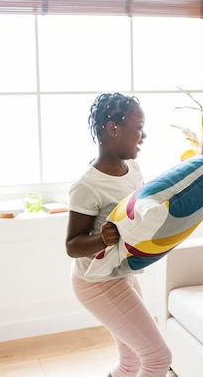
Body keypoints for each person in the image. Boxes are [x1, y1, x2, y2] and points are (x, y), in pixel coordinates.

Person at [66, 92, 172, 377]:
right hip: (95, 282)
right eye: (138, 127)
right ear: (113, 129)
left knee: (131, 361)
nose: (144, 134)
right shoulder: (88, 185)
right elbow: (73, 245)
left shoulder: (133, 169)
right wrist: (102, 238)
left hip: (121, 274)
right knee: (158, 358)